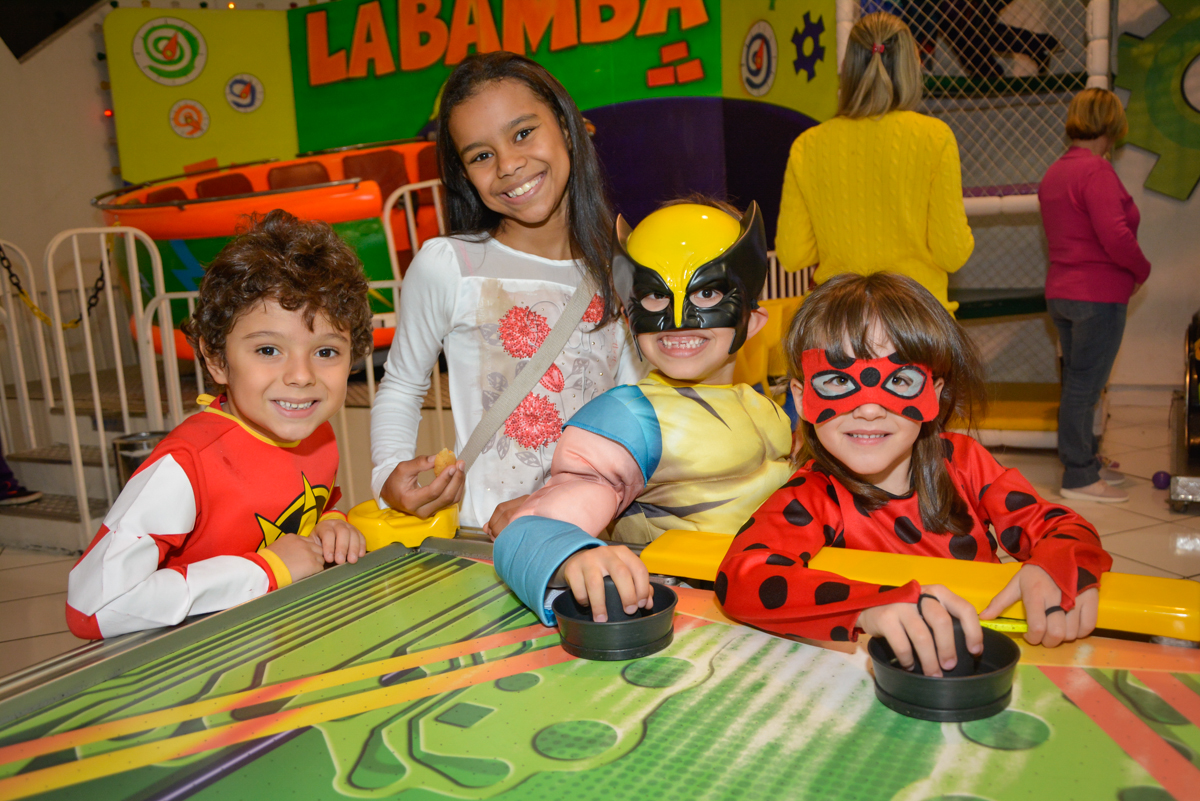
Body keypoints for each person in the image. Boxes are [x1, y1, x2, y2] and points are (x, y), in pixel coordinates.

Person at [717, 273, 1111, 676]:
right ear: (802, 397)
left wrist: (1054, 563)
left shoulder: (966, 463)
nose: (869, 410)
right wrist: (870, 606)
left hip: (989, 656)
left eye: (899, 381)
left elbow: (1064, 527)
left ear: (935, 393)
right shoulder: (811, 496)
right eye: (837, 380)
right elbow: (743, 576)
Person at [371, 52, 642, 535]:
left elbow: (635, 412)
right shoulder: (449, 265)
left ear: (564, 125)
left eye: (522, 133)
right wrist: (386, 474)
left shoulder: (621, 269)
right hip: (486, 544)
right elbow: (402, 384)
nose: (510, 164)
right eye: (481, 155)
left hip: (594, 535)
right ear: (464, 174)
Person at [66, 210, 371, 639]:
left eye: (326, 352)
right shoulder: (187, 467)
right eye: (268, 350)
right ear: (215, 359)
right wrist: (268, 569)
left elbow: (316, 500)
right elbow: (92, 607)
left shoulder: (314, 431)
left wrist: (331, 524)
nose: (302, 376)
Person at [494, 200, 793, 625]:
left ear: (755, 320)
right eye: (654, 296)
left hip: (777, 615)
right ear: (629, 316)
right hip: (688, 622)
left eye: (707, 293)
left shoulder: (764, 408)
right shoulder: (629, 417)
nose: (677, 321)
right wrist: (573, 555)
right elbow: (532, 530)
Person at [775, 12, 974, 314]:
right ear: (913, 66)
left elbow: (792, 255)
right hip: (917, 321)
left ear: (848, 67)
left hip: (841, 320)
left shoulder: (808, 145)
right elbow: (952, 254)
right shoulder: (935, 138)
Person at [1040, 88, 1151, 503]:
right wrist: (1142, 269)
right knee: (1085, 387)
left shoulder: (1056, 171)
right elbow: (1116, 235)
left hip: (1062, 293)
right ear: (1112, 125)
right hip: (1097, 295)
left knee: (1077, 383)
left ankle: (1084, 460)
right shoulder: (1096, 171)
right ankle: (1080, 475)